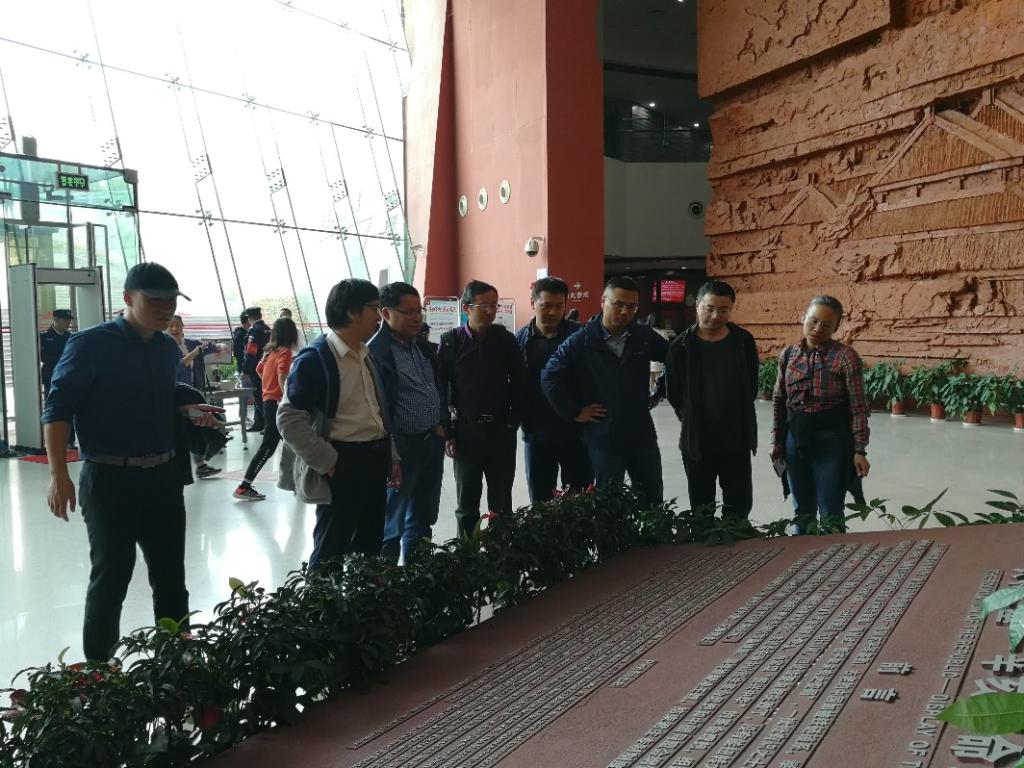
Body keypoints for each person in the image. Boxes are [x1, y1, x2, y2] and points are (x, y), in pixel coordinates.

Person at [41, 262, 223, 661]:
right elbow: (57, 410)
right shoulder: (90, 345)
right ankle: (100, 673)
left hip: (163, 477)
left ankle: (175, 663)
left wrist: (187, 408)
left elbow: (158, 395)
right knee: (111, 579)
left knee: (171, 577)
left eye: (171, 301)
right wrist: (58, 475)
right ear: (127, 298)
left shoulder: (165, 348)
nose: (166, 309)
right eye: (155, 300)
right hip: (109, 479)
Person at [277, 279, 400, 570]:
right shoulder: (315, 359)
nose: (379, 317)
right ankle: (322, 600)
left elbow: (378, 413)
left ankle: (364, 598)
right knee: (331, 550)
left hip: (375, 458)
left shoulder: (366, 354)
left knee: (369, 546)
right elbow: (288, 419)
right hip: (344, 461)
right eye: (374, 309)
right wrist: (329, 462)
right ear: (351, 312)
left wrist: (392, 457)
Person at [542, 275, 669, 508]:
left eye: (631, 306)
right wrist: (574, 412)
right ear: (603, 301)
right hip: (604, 436)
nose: (624, 311)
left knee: (652, 498)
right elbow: (549, 376)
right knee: (609, 503)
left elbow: (674, 359)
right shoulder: (581, 340)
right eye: (618, 304)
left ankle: (651, 533)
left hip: (641, 434)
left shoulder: (642, 336)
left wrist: (659, 391)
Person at [770, 295, 871, 532]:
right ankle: (801, 552)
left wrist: (859, 450)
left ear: (836, 328)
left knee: (831, 510)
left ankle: (832, 553)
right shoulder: (788, 355)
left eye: (826, 325)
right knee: (802, 508)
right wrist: (777, 442)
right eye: (813, 321)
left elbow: (858, 407)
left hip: (831, 441)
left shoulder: (845, 357)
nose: (817, 329)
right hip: (795, 440)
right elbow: (779, 400)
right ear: (803, 317)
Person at [665, 280, 759, 520]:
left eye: (723, 310)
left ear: (731, 309)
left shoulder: (743, 341)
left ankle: (736, 542)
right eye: (709, 308)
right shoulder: (680, 346)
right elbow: (674, 392)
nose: (716, 315)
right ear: (697, 306)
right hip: (698, 440)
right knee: (702, 507)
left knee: (738, 505)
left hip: (736, 439)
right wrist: (690, 417)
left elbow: (751, 385)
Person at [438, 280, 525, 537]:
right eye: (484, 305)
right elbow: (440, 388)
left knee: (501, 502)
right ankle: (468, 554)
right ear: (466, 308)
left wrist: (512, 421)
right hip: (466, 432)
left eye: (494, 305)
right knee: (467, 503)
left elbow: (520, 382)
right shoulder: (451, 342)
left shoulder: (505, 340)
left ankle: (501, 551)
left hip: (501, 430)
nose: (491, 311)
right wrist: (448, 431)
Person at [369, 282, 446, 563]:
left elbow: (436, 387)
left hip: (431, 442)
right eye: (408, 312)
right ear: (385, 313)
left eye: (419, 311)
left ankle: (418, 573)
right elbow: (378, 408)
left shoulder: (422, 347)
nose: (416, 318)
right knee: (392, 522)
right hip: (401, 448)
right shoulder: (376, 353)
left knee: (424, 517)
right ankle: (386, 580)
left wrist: (441, 423)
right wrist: (392, 453)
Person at [515, 277, 592, 503]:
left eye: (559, 306)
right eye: (546, 305)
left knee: (579, 499)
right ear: (533, 304)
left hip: (576, 433)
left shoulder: (580, 336)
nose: (553, 312)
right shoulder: (519, 341)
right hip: (537, 434)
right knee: (541, 501)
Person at [234, 317, 299, 501]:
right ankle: (243, 487)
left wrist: (268, 388)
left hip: (268, 402)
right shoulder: (285, 352)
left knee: (293, 444)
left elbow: (258, 369)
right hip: (277, 404)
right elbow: (282, 376)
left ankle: (298, 481)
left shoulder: (270, 352)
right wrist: (287, 398)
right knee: (269, 447)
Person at [168, 315, 223, 479]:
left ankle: (201, 465)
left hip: (195, 391)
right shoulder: (166, 347)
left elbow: (207, 346)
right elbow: (179, 366)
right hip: (179, 396)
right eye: (171, 326)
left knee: (196, 425)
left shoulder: (191, 343)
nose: (174, 329)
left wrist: (219, 346)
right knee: (187, 427)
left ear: (182, 326)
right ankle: (198, 465)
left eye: (177, 325)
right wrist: (194, 353)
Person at [40, 309, 76, 448]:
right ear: (56, 319)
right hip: (51, 377)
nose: (68, 323)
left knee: (69, 407)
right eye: (65, 320)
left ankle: (70, 440)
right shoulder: (44, 336)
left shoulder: (70, 336)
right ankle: (50, 440)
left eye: (69, 320)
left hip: (68, 377)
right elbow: (43, 357)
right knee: (52, 408)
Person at [243, 307, 271, 432]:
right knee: (266, 396)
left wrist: (245, 371)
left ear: (249, 318)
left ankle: (269, 425)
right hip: (269, 368)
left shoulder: (255, 330)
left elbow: (251, 352)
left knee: (259, 397)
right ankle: (260, 423)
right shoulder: (268, 329)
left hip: (257, 369)